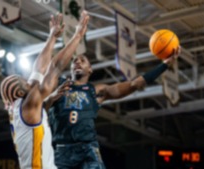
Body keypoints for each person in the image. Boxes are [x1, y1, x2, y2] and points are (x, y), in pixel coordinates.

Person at [46, 47, 181, 169]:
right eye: (74, 60)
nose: (78, 62)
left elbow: (135, 84)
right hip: (62, 149)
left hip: (87, 148)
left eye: (83, 60)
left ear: (90, 69)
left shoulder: (96, 91)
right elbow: (34, 93)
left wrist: (165, 65)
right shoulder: (58, 85)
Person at [0, 11, 90, 169]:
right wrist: (77, 37)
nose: (29, 81)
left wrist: (52, 37)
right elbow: (55, 67)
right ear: (22, 92)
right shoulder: (29, 105)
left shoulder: (19, 106)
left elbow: (38, 71)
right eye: (25, 82)